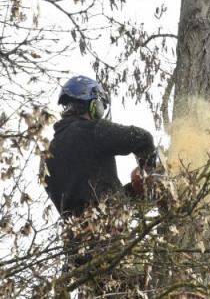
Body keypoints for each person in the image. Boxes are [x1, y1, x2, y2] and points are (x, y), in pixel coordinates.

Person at [43, 75, 160, 293]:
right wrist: (150, 171)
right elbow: (142, 138)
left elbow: (88, 199)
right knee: (144, 288)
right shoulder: (90, 131)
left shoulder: (49, 154)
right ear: (93, 104)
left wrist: (132, 193)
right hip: (109, 244)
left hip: (78, 252)